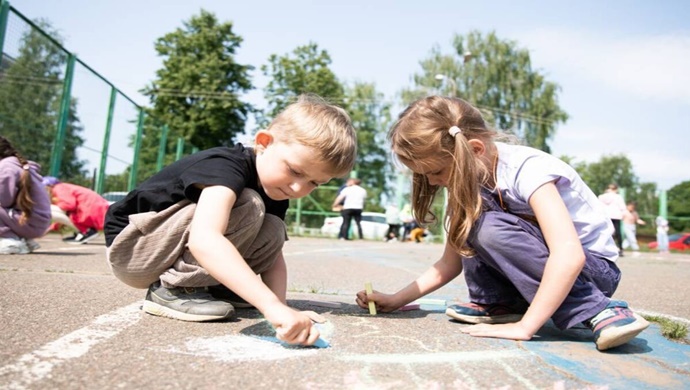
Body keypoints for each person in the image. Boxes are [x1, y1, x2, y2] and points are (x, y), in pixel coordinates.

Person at [355, 96, 649, 351]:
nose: (433, 182)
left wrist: (526, 327)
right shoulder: (466, 183)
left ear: (475, 149)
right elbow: (449, 263)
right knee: (472, 222)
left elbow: (569, 254)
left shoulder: (529, 170)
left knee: (486, 226)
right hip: (544, 272)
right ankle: (503, 303)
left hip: (592, 274)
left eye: (436, 171)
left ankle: (599, 310)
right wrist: (395, 299)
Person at [104, 94, 357, 346]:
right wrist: (270, 306)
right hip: (134, 250)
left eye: (314, 183)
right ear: (264, 142)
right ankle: (176, 289)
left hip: (164, 249)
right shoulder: (227, 167)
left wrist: (282, 307)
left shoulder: (276, 189)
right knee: (250, 203)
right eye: (294, 170)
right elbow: (205, 239)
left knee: (274, 228)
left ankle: (219, 288)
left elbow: (273, 256)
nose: (297, 187)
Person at [0, 136, 52, 254]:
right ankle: (23, 239)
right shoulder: (17, 165)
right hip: (36, 222)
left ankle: (8, 240)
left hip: (29, 222)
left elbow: (4, 201)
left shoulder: (4, 168)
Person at [42, 177, 110, 244]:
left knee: (47, 208)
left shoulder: (59, 188)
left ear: (48, 186)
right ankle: (82, 232)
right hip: (96, 211)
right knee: (58, 209)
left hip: (92, 212)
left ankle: (86, 231)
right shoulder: (64, 187)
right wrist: (51, 228)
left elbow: (69, 205)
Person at [598, 184, 629, 256]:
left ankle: (604, 248)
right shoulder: (618, 197)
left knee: (606, 232)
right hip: (616, 215)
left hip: (606, 216)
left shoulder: (602, 196)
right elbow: (622, 207)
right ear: (616, 189)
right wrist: (624, 214)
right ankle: (620, 248)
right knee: (618, 232)